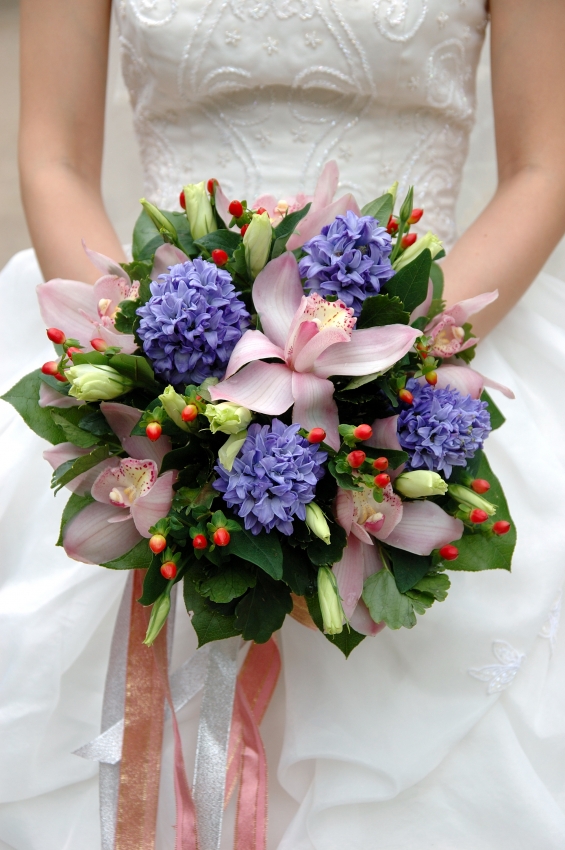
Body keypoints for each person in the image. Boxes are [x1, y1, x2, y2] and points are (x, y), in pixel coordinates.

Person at [1, 0, 564, 847]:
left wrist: (388, 371)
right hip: (168, 368)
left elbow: (544, 162)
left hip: (420, 358)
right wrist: (146, 378)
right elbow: (54, 157)